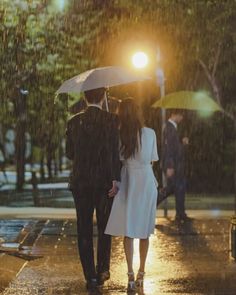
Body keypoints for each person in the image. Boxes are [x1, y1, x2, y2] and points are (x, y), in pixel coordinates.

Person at [65, 87, 120, 291]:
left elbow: (70, 153)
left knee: (84, 229)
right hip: (104, 183)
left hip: (81, 183)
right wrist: (116, 179)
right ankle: (103, 269)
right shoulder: (112, 121)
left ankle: (90, 275)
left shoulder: (74, 122)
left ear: (85, 97)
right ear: (104, 96)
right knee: (105, 227)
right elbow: (114, 153)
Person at [105, 98, 159, 292]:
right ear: (138, 112)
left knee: (129, 230)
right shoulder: (150, 133)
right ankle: (141, 273)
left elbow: (119, 159)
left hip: (128, 180)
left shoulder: (119, 135)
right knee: (144, 230)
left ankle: (129, 274)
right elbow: (152, 160)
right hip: (146, 181)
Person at [159, 109, 190, 222]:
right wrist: (170, 166)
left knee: (176, 188)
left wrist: (182, 142)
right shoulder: (169, 128)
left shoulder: (172, 128)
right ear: (173, 115)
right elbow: (168, 149)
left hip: (176, 164)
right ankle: (180, 213)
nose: (181, 118)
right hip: (173, 165)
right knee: (177, 187)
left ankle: (180, 213)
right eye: (180, 115)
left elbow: (174, 147)